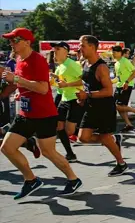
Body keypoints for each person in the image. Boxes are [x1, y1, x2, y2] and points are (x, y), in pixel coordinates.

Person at [1, 29, 82, 199]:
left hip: (43, 115)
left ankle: (73, 179)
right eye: (10, 41)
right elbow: (23, 82)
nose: (11, 44)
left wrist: (16, 80)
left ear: (27, 42)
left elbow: (43, 88)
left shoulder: (37, 60)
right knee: (7, 147)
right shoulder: (18, 59)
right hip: (25, 113)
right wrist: (18, 90)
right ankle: (31, 180)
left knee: (48, 152)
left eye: (15, 40)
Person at [75, 36, 128, 176]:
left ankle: (121, 163)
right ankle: (114, 140)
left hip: (104, 107)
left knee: (104, 137)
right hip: (90, 105)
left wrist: (88, 95)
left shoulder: (101, 67)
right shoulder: (85, 64)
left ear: (92, 47)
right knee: (83, 138)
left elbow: (108, 91)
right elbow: (87, 85)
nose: (79, 48)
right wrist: (83, 98)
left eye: (82, 45)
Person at [51, 42, 84, 162]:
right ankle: (70, 154)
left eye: (57, 49)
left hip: (75, 99)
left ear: (66, 51)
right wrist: (53, 77)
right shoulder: (60, 66)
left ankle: (112, 139)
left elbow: (83, 81)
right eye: (54, 50)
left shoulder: (72, 64)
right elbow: (61, 81)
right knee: (59, 127)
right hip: (64, 99)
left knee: (69, 131)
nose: (55, 52)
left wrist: (67, 84)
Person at [111, 45, 135, 132]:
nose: (114, 54)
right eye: (113, 52)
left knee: (116, 106)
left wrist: (127, 82)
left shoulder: (125, 61)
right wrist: (110, 82)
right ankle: (129, 124)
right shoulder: (116, 63)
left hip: (126, 86)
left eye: (115, 52)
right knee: (120, 107)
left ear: (120, 53)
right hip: (119, 86)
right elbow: (118, 77)